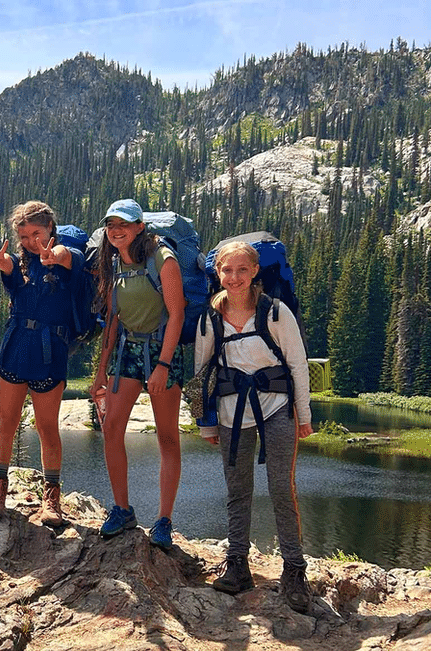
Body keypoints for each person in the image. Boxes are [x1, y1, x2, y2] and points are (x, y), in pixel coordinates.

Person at [195, 240, 314, 613]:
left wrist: (304, 414)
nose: (234, 278)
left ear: (255, 272)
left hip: (278, 408)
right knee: (237, 491)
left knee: (282, 488)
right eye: (227, 271)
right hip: (232, 414)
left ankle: (294, 571)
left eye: (242, 270)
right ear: (218, 274)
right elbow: (203, 374)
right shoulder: (209, 319)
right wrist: (206, 424)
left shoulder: (276, 313)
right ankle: (237, 566)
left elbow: (297, 364)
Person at [0, 202, 86, 527]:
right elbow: (13, 275)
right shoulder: (18, 263)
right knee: (6, 422)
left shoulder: (69, 257)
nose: (30, 241)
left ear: (50, 230)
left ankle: (51, 499)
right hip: (16, 347)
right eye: (24, 235)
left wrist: (56, 254)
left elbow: (68, 259)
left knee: (47, 428)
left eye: (36, 233)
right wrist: (3, 265)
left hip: (50, 352)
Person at [90, 198, 185, 549]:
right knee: (111, 426)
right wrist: (101, 372)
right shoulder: (114, 262)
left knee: (167, 437)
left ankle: (164, 521)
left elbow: (177, 314)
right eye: (111, 225)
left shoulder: (163, 258)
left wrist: (162, 365)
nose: (117, 231)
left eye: (124, 224)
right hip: (127, 351)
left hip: (163, 349)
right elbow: (112, 320)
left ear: (139, 226)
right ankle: (122, 508)